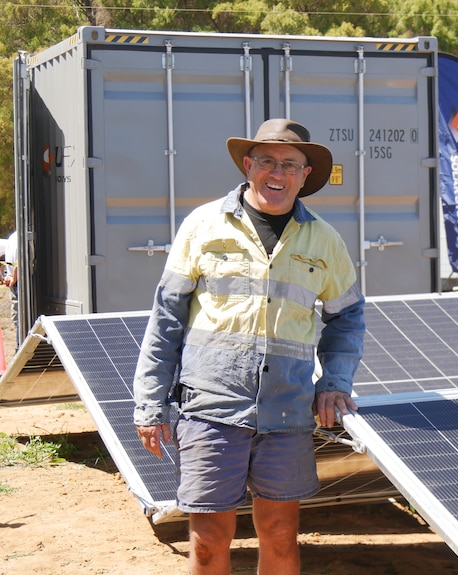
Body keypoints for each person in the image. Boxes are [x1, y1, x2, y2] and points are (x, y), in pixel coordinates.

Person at [133, 119, 364, 575]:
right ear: (247, 165)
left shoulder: (325, 240)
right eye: (266, 161)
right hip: (211, 408)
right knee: (208, 540)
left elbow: (348, 316)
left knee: (280, 535)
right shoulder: (203, 224)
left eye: (290, 165)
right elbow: (166, 318)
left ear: (305, 175)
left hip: (287, 411)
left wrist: (335, 381)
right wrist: (150, 402)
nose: (277, 173)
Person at [4, 230, 18, 350]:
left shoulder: (12, 236)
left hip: (13, 280)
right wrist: (13, 277)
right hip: (17, 281)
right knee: (19, 317)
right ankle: (20, 346)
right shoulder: (19, 237)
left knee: (17, 316)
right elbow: (18, 263)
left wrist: (7, 276)